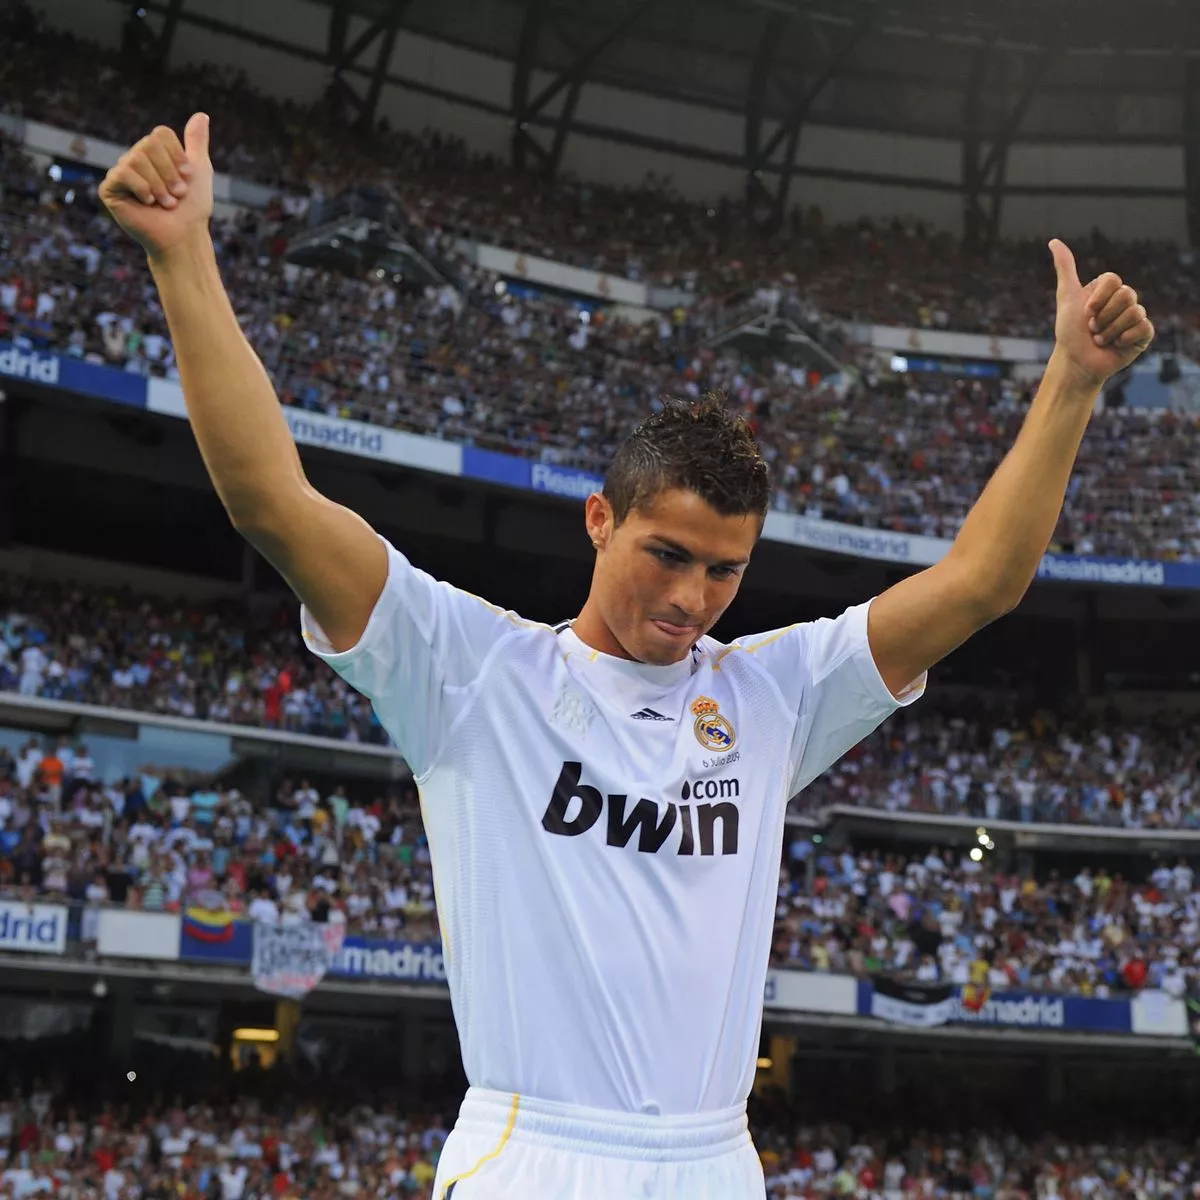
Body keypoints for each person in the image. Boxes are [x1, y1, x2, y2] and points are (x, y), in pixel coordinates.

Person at [99, 115, 1154, 1200]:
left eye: (725, 571)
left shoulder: (775, 694)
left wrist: (1072, 381)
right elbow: (272, 501)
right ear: (600, 519)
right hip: (535, 1154)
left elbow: (983, 583)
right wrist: (182, 255)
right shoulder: (471, 673)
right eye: (668, 554)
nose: (693, 598)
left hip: (716, 1159)